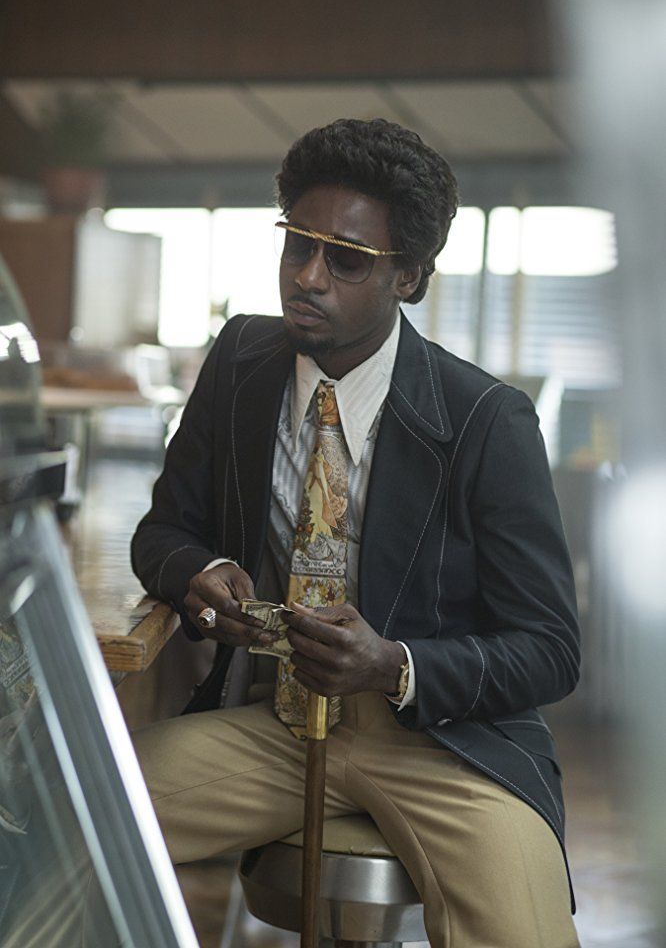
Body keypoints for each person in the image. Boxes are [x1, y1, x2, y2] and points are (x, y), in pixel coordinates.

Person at [131, 118, 581, 948]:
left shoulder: (487, 420)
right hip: (274, 726)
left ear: (409, 276)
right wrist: (203, 573)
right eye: (295, 245)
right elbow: (163, 530)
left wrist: (395, 664)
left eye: (346, 259)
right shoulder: (239, 361)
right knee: (51, 820)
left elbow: (551, 648)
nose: (307, 277)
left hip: (448, 746)